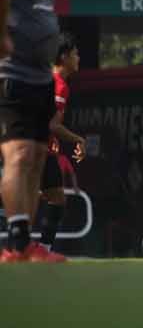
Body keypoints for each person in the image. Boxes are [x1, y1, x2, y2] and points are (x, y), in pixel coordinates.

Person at [0, 0, 68, 264]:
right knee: (19, 155)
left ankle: (24, 245)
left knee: (38, 157)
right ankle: (16, 243)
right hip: (12, 73)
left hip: (41, 76)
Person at [35, 32, 85, 259]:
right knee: (51, 199)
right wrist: (78, 140)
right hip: (39, 149)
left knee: (54, 198)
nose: (79, 58)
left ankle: (42, 251)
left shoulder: (47, 79)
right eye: (75, 54)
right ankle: (40, 251)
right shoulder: (58, 85)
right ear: (64, 57)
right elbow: (52, 125)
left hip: (40, 147)